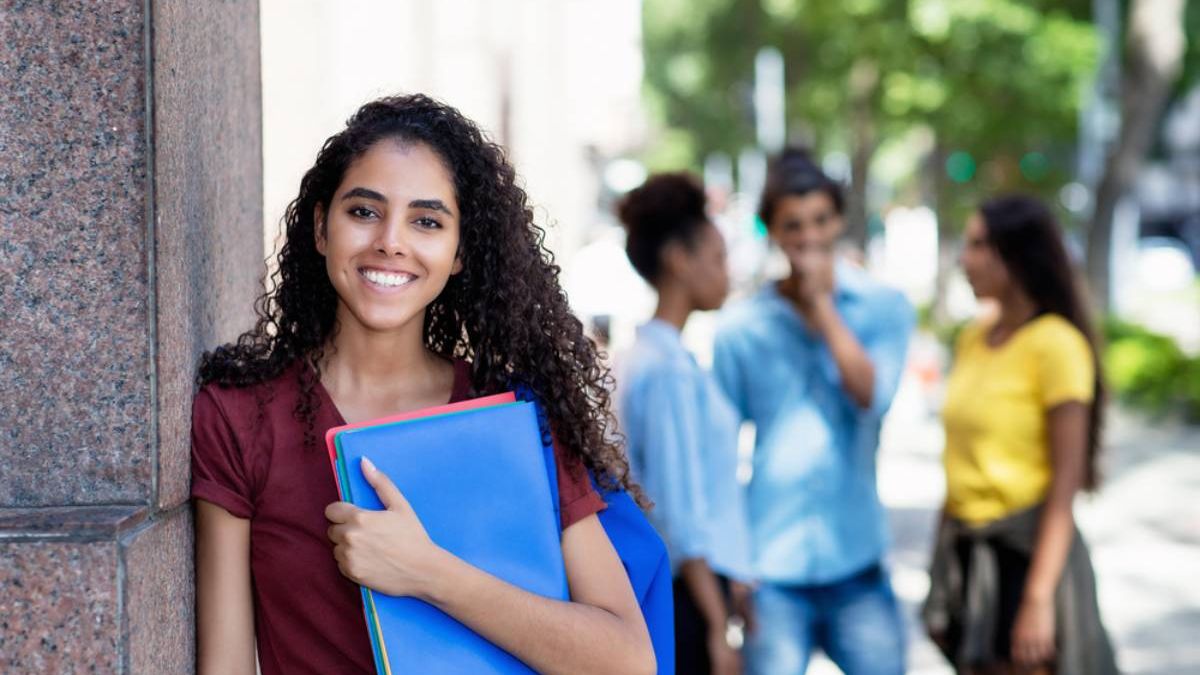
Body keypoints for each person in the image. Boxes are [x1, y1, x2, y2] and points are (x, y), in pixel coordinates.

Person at [190, 94, 655, 675]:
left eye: (427, 221)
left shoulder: (513, 416)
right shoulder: (240, 416)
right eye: (363, 211)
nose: (391, 241)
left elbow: (627, 661)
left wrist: (426, 572)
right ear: (319, 227)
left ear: (459, 252)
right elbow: (226, 665)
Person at [712, 149, 913, 675]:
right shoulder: (740, 330)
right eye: (793, 225)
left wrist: (822, 305)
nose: (809, 237)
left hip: (858, 562)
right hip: (772, 571)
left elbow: (872, 397)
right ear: (773, 232)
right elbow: (720, 453)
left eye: (821, 220)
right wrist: (733, 567)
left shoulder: (885, 308)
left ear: (840, 221)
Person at [923, 195, 1117, 675]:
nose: (965, 260)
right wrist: (939, 575)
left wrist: (1037, 599)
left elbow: (1065, 483)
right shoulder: (974, 337)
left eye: (979, 246)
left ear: (1017, 255)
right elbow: (959, 461)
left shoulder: (1056, 345)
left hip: (1027, 557)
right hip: (970, 551)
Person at [615, 173, 754, 675]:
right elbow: (680, 515)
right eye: (717, 258)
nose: (727, 272)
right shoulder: (667, 370)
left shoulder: (652, 357)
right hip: (683, 598)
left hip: (685, 588)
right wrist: (718, 628)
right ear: (679, 259)